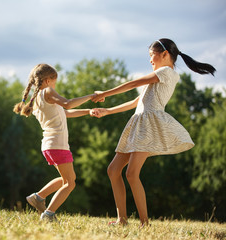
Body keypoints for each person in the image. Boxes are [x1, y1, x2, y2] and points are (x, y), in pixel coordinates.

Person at [91, 38, 216, 226]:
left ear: (165, 54)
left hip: (149, 125)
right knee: (113, 170)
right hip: (138, 123)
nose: (150, 60)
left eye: (152, 55)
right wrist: (107, 110)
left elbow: (133, 84)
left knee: (132, 174)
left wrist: (104, 94)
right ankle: (122, 220)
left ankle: (145, 223)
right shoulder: (160, 74)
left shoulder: (166, 72)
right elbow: (136, 102)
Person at [13, 63, 96, 222]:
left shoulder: (35, 99)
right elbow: (68, 103)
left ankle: (38, 197)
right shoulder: (47, 92)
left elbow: (65, 112)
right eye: (54, 81)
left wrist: (88, 111)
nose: (55, 85)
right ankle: (49, 214)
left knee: (66, 179)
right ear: (47, 80)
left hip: (49, 145)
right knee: (70, 183)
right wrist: (91, 96)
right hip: (57, 144)